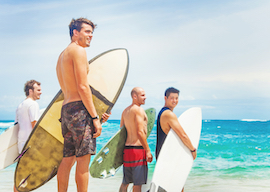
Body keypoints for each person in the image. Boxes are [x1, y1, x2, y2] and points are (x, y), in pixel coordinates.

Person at [56, 17, 110, 192]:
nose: (91, 36)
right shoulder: (78, 51)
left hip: (67, 110)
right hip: (80, 110)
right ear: (75, 33)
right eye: (87, 31)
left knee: (68, 159)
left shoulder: (62, 56)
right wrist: (94, 117)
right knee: (83, 160)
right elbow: (82, 86)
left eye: (92, 32)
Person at [155, 87, 197, 192]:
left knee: (172, 186)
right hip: (167, 157)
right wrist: (192, 149)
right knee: (177, 186)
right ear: (165, 98)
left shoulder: (162, 112)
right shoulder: (169, 114)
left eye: (177, 98)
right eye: (172, 98)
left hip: (162, 154)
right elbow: (182, 135)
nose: (175, 101)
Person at [119, 87, 153, 192]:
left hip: (127, 150)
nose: (145, 97)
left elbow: (121, 133)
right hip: (137, 150)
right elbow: (140, 132)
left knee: (125, 182)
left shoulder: (125, 111)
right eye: (142, 95)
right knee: (137, 184)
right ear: (134, 96)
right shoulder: (139, 110)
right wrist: (147, 150)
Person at [14, 79, 42, 192]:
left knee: (21, 175)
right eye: (38, 90)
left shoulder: (20, 106)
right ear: (31, 91)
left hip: (21, 143)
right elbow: (34, 124)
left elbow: (16, 126)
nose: (40, 92)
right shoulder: (33, 104)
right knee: (29, 176)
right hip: (30, 144)